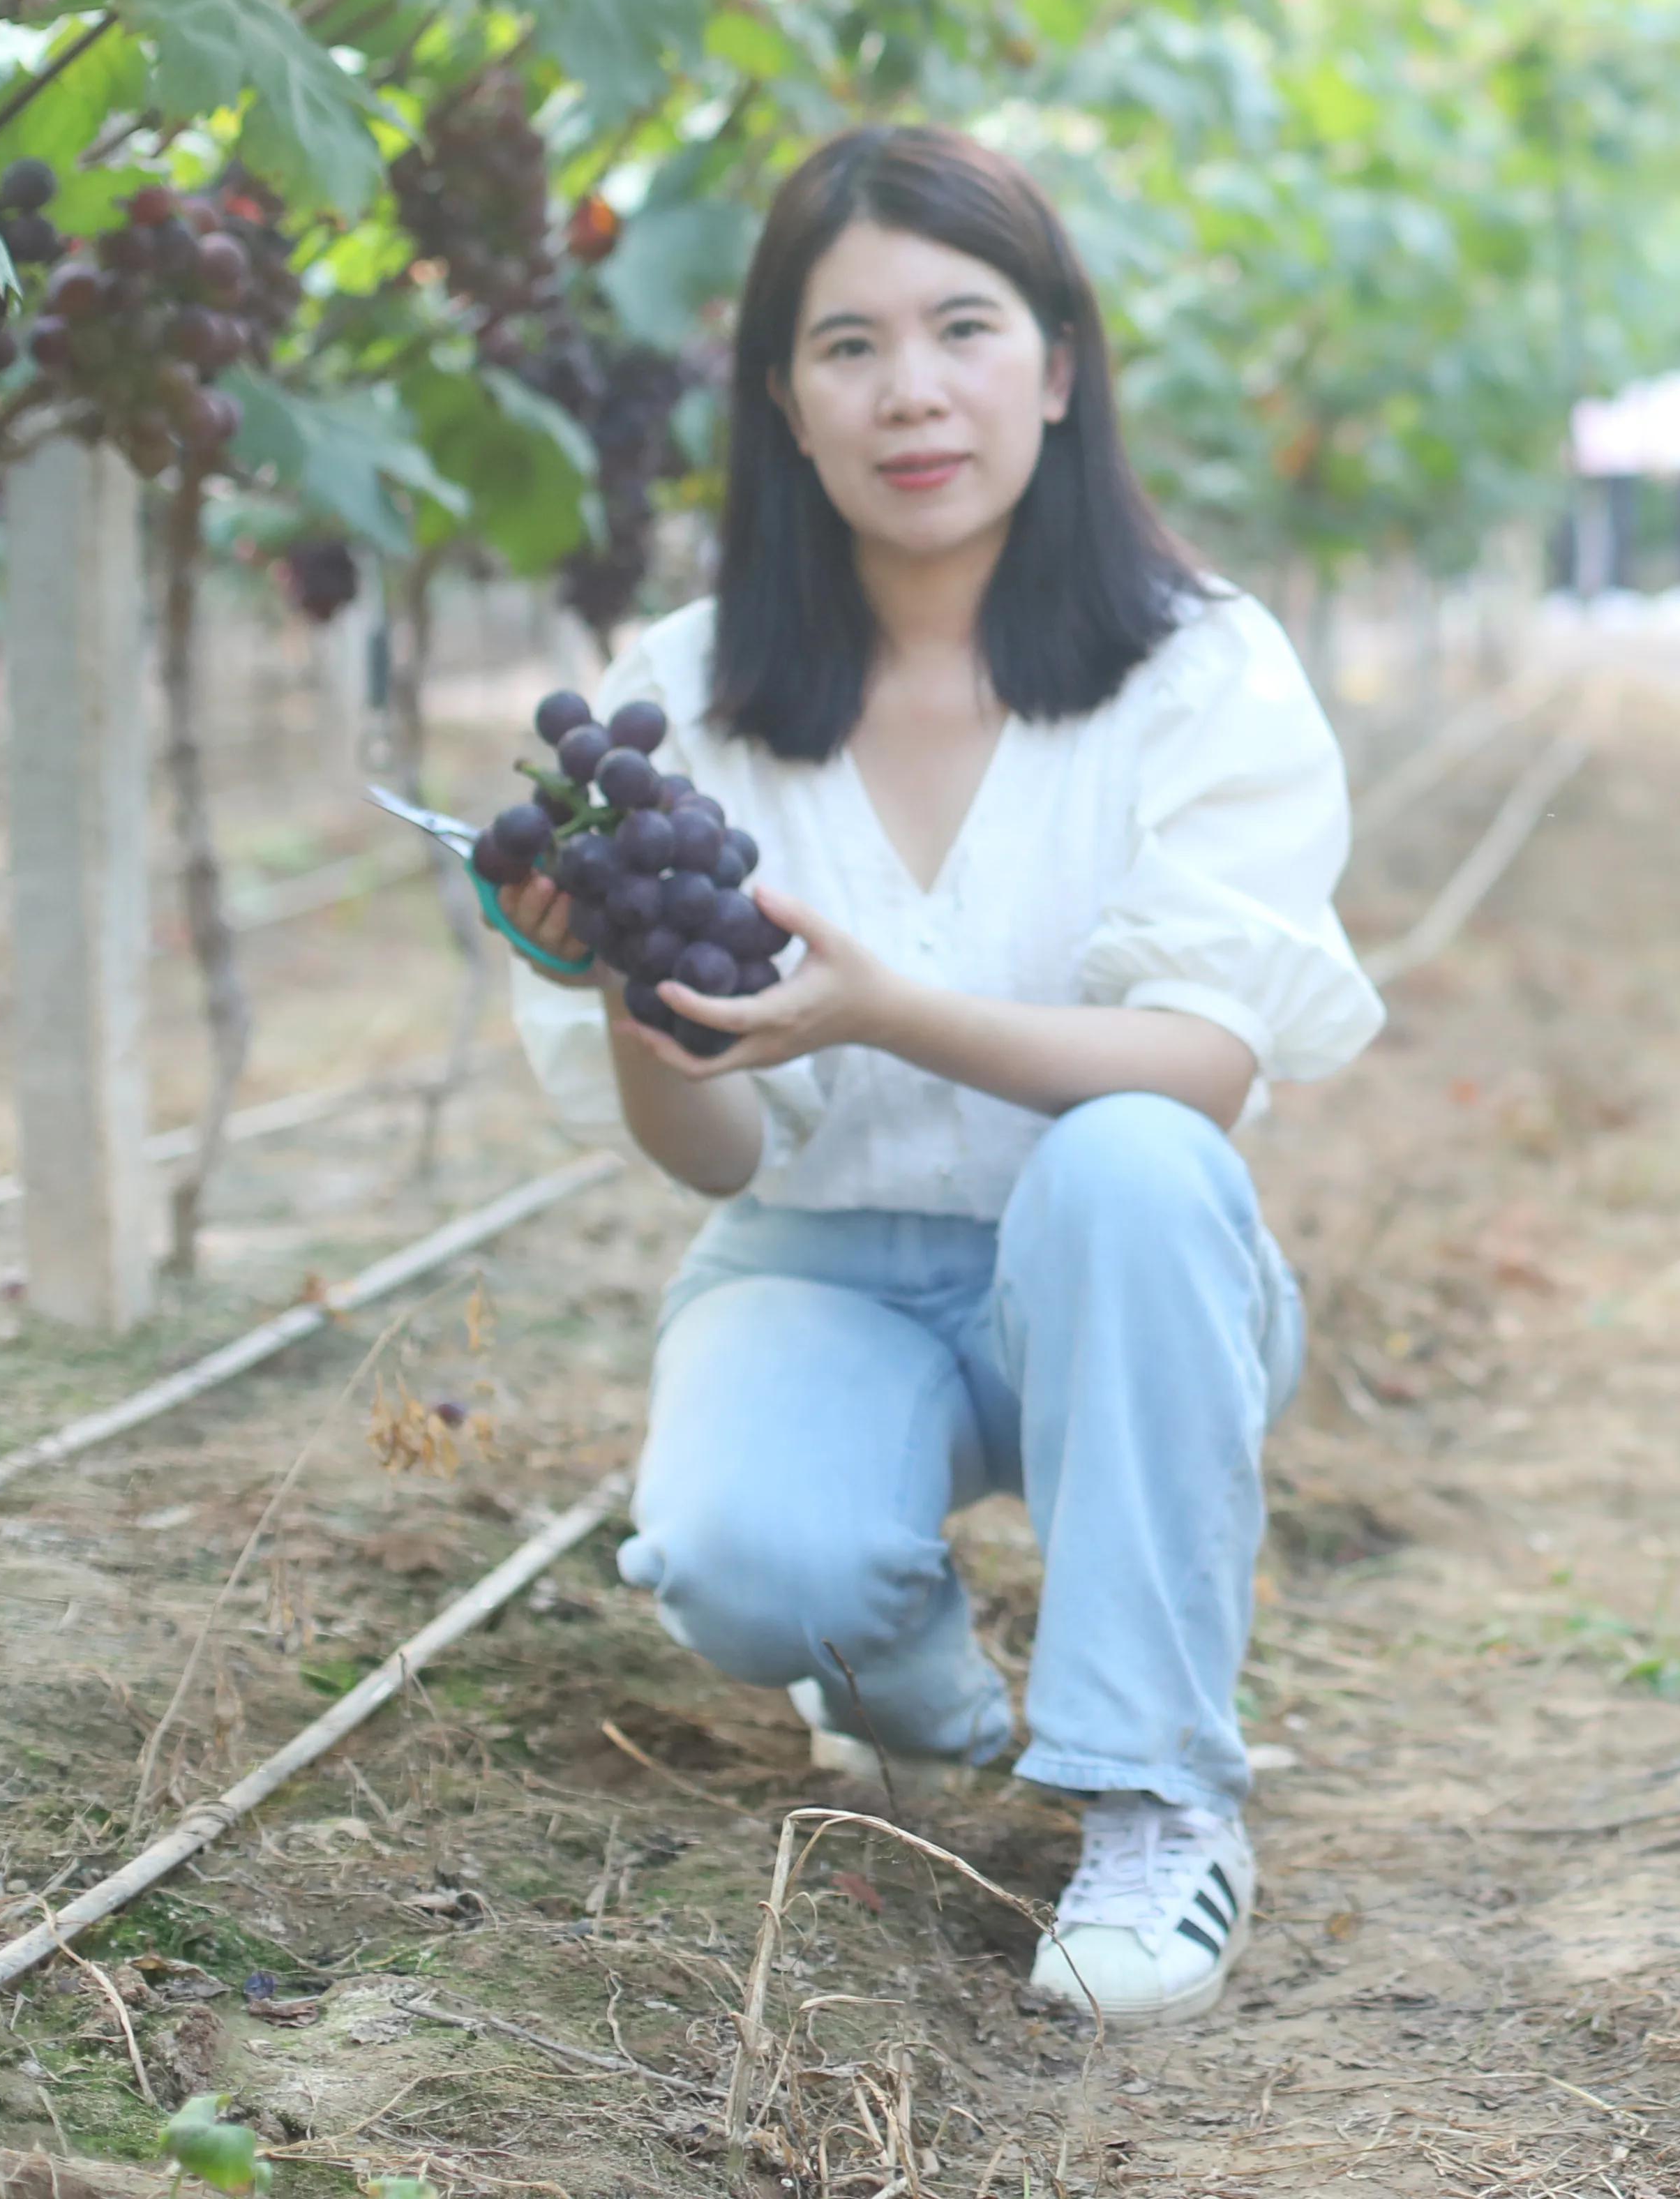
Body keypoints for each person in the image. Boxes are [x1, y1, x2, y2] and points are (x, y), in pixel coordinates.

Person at [502, 126, 1380, 2021]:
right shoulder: (682, 697)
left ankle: (1161, 1806)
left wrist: (888, 1008)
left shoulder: (1199, 674)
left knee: (1134, 1159)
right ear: (782, 407)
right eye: (848, 348)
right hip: (823, 1259)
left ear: (1057, 372)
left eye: (963, 328)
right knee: (744, 1568)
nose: (912, 390)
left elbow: (1203, 1067)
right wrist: (631, 1000)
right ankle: (907, 1690)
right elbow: (715, 1154)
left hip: (1134, 1273)